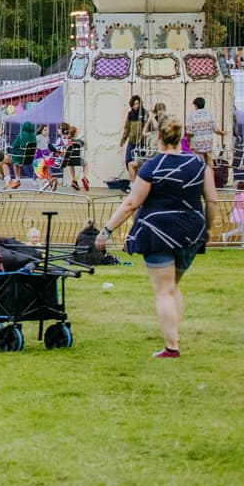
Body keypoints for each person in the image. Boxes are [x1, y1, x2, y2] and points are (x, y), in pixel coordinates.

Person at [97, 118, 216, 359]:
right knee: (172, 287)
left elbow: (132, 203)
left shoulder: (152, 166)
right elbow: (211, 200)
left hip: (158, 231)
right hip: (191, 232)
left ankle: (172, 346)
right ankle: (174, 335)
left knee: (163, 291)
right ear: (181, 137)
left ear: (158, 137)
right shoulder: (199, 164)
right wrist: (208, 228)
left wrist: (106, 231)